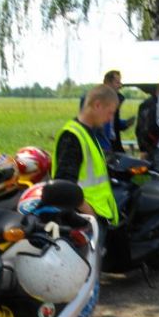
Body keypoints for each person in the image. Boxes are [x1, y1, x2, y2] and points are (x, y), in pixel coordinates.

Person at [53, 84, 120, 250]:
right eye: (110, 112)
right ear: (97, 105)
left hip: (94, 216)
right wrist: (90, 214)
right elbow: (65, 184)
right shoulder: (73, 136)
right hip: (83, 220)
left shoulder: (88, 132)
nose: (110, 118)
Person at [103, 70, 135, 153]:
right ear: (107, 83)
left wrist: (125, 124)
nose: (120, 86)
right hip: (104, 147)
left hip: (114, 145)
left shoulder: (114, 100)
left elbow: (112, 123)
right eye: (117, 83)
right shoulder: (97, 101)